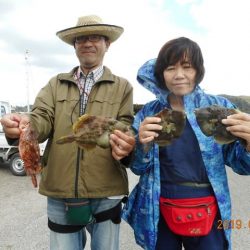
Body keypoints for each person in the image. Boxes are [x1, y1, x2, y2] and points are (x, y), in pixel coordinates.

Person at [1, 15, 135, 250]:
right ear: (74, 45)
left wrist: (126, 145)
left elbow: (125, 126)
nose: (87, 43)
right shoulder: (56, 84)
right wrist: (24, 125)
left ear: (107, 44)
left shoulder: (122, 87)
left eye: (95, 37)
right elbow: (40, 116)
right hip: (60, 193)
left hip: (107, 192)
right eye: (81, 38)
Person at [122, 37, 250, 250]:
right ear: (161, 73)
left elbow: (241, 165)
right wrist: (142, 144)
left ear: (198, 71)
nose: (179, 75)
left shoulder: (219, 108)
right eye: (171, 68)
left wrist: (248, 145)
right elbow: (137, 167)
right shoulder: (149, 113)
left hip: (210, 207)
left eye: (187, 67)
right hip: (159, 207)